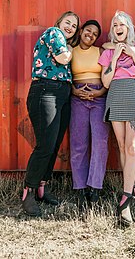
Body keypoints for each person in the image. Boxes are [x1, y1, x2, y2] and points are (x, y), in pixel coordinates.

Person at [22, 11, 80, 217]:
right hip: (45, 91)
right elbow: (63, 57)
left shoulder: (63, 40)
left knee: (54, 144)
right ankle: (27, 193)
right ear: (59, 23)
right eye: (68, 22)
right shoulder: (54, 33)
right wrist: (71, 50)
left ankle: (41, 189)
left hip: (63, 94)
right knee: (45, 145)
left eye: (74, 25)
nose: (70, 27)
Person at [99, 11, 135, 225]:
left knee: (132, 146)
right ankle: (130, 188)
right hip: (116, 93)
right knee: (121, 146)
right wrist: (116, 58)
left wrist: (133, 54)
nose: (118, 27)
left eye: (122, 24)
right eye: (115, 25)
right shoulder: (109, 52)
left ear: (128, 27)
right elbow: (106, 82)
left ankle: (125, 199)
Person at [69, 20, 109, 210]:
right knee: (79, 143)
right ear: (81, 30)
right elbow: (64, 73)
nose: (91, 35)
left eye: (95, 34)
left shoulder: (100, 51)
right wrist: (74, 91)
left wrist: (99, 92)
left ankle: (94, 187)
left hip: (98, 98)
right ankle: (79, 187)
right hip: (77, 97)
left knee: (100, 143)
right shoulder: (71, 50)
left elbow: (108, 76)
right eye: (88, 31)